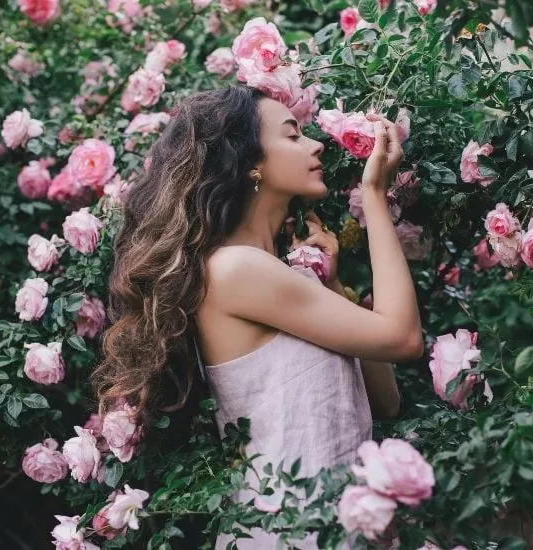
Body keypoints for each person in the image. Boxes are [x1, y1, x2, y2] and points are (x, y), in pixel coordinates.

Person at [94, 86, 423, 548]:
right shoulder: (235, 270)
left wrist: (330, 284)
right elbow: (404, 337)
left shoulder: (278, 276)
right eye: (292, 136)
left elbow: (385, 401)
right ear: (250, 162)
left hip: (329, 525)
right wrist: (373, 195)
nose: (315, 145)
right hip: (293, 531)